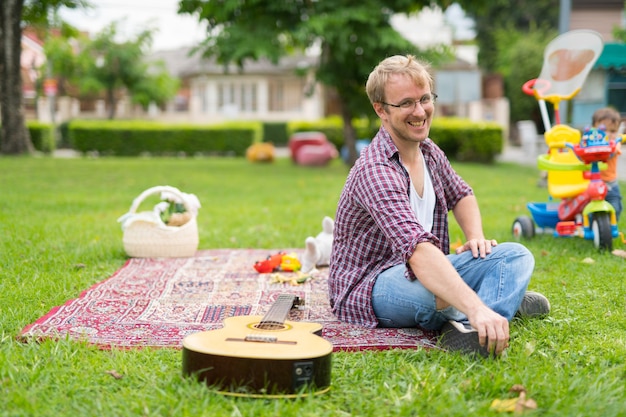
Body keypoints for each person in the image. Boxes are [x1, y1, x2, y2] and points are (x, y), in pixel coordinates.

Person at [328, 55, 550, 358]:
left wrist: (476, 237)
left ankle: (476, 326)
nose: (420, 111)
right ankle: (491, 306)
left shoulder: (429, 152)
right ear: (381, 109)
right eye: (406, 103)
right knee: (431, 295)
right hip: (373, 283)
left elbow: (462, 194)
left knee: (515, 256)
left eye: (424, 99)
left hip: (426, 267)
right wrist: (472, 306)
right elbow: (417, 251)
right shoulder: (375, 170)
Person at [592, 107, 623, 221]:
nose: (608, 134)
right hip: (593, 184)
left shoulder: (615, 144)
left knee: (615, 207)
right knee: (591, 208)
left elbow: (612, 152)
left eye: (613, 131)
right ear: (593, 129)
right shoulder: (590, 144)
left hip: (611, 185)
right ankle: (593, 226)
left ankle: (611, 227)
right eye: (603, 129)